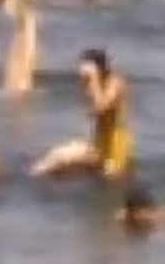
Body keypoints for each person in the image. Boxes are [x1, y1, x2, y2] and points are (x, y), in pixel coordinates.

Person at [30, 49, 135, 179]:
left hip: (117, 144)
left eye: (86, 66)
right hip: (99, 140)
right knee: (55, 159)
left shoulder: (115, 83)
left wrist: (94, 80)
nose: (81, 70)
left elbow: (100, 107)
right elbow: (91, 112)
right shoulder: (90, 83)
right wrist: (92, 83)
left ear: (98, 67)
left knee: (108, 179)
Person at [3, 0, 39, 95]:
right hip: (19, 85)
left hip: (20, 86)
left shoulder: (29, 20)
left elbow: (29, 49)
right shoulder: (26, 23)